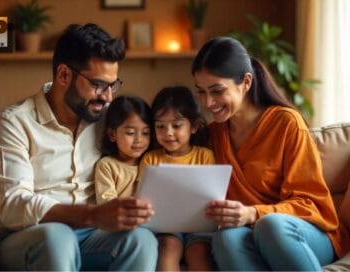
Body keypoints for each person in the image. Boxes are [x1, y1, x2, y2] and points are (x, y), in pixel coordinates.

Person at [0, 23, 158, 271]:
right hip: (22, 236)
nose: (107, 96)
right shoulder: (13, 123)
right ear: (64, 75)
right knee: (57, 238)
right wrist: (93, 215)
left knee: (141, 241)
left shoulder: (108, 120)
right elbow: (14, 205)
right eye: (98, 84)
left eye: (112, 84)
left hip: (89, 236)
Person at [191, 37, 350, 270]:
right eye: (201, 92)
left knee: (270, 225)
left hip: (307, 234)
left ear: (245, 82)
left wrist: (254, 213)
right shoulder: (213, 135)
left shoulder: (286, 123)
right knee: (225, 238)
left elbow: (310, 203)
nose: (208, 103)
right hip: (251, 236)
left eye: (217, 91)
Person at [139, 86, 216, 271]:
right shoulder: (151, 159)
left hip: (198, 224)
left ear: (194, 126)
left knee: (199, 252)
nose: (168, 133)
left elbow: (210, 194)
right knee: (167, 248)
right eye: (160, 126)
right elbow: (145, 197)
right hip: (165, 226)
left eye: (177, 125)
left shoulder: (205, 156)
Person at [95, 95, 152, 204]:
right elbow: (106, 203)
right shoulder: (107, 165)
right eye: (130, 133)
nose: (139, 140)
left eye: (146, 133)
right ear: (112, 134)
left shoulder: (151, 161)